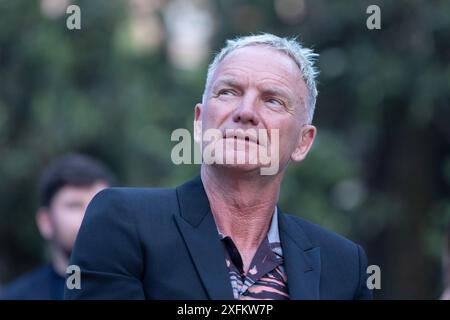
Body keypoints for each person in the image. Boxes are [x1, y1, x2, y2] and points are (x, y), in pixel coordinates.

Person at [65, 34, 372, 300]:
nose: (245, 112)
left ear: (303, 142)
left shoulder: (344, 265)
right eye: (228, 92)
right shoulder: (123, 221)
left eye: (273, 101)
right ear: (199, 122)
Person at [0, 154, 114, 300]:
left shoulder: (143, 290)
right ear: (46, 222)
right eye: (74, 206)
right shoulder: (16, 296)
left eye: (99, 204)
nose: (91, 215)